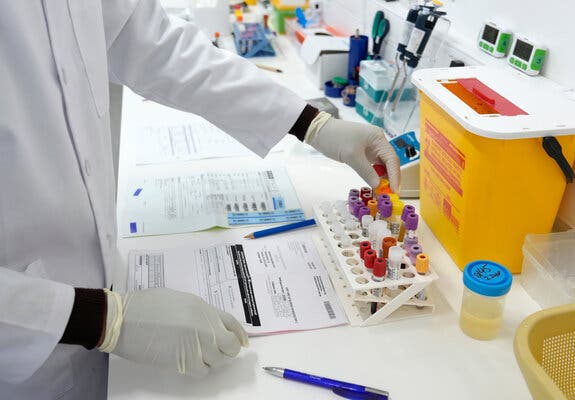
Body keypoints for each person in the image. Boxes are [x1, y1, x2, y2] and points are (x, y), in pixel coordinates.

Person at [0, 1, 401, 399]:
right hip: (22, 354)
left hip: (101, 286)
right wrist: (102, 320)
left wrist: (310, 123)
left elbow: (153, 44)